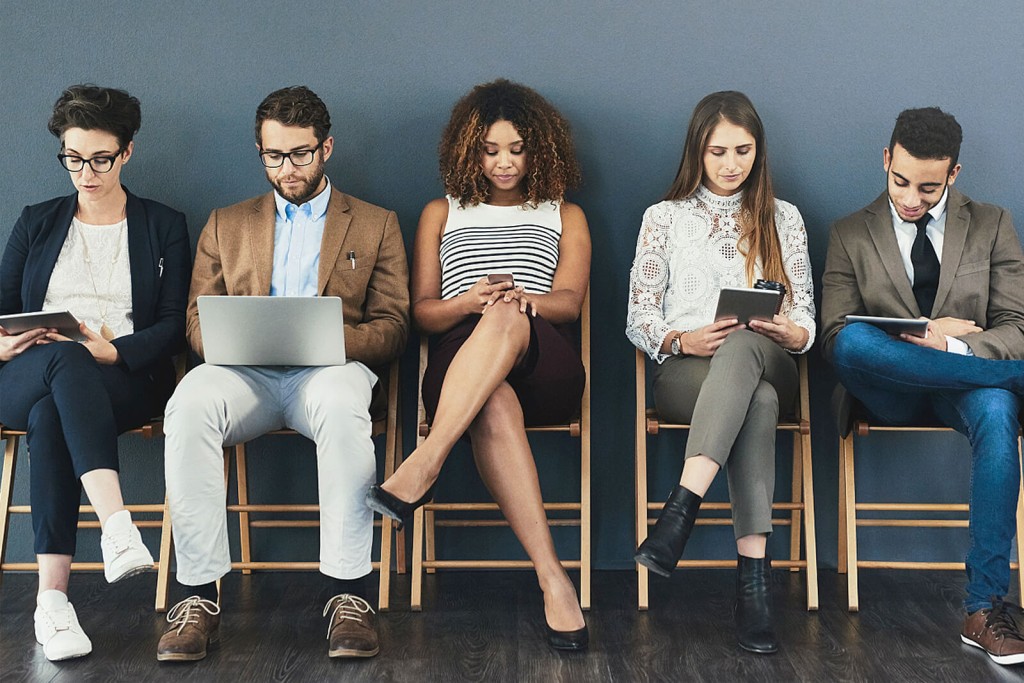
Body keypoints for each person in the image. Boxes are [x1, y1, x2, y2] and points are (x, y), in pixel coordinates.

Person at [158, 86, 409, 662]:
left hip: (328, 374)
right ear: (260, 150)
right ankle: (196, 598)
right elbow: (196, 319)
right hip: (242, 375)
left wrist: (324, 338)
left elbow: (393, 327)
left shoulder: (375, 224)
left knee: (347, 406)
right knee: (189, 403)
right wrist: (225, 341)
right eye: (273, 155)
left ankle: (349, 595)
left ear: (327, 148)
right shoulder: (227, 223)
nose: (286, 168)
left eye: (299, 154)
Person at [365, 79, 591, 650]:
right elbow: (422, 312)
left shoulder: (565, 213)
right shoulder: (441, 211)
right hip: (462, 360)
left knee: (510, 316)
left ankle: (425, 461)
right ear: (470, 150)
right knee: (491, 398)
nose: (504, 162)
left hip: (545, 357)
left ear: (540, 149)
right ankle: (553, 579)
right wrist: (470, 301)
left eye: (517, 149)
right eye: (491, 150)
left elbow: (570, 301)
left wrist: (520, 299)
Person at [822, 107, 1024, 666]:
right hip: (886, 386)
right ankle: (1012, 380)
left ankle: (983, 608)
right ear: (886, 160)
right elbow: (835, 332)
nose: (912, 198)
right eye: (901, 181)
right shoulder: (848, 232)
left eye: (929, 187)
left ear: (954, 174)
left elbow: (1018, 325)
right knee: (852, 346)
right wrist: (926, 334)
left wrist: (952, 348)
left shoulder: (992, 224)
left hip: (963, 383)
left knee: (999, 411)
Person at [0, 85, 190, 661]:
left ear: (127, 153)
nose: (86, 173)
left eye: (100, 159)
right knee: (61, 360)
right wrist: (6, 344)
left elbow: (173, 324)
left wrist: (116, 350)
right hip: (25, 370)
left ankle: (52, 605)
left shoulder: (163, 225)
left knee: (52, 410)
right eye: (73, 158)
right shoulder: (36, 221)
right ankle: (116, 525)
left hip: (120, 377)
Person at [626, 91, 815, 654]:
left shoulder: (784, 217)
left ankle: (679, 511)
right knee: (751, 400)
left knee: (744, 349)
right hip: (688, 371)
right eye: (717, 152)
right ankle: (753, 588)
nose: (731, 164)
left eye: (743, 150)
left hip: (771, 357)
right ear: (696, 152)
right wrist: (681, 338)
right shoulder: (663, 218)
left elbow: (805, 315)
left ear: (759, 151)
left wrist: (789, 331)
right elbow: (638, 316)